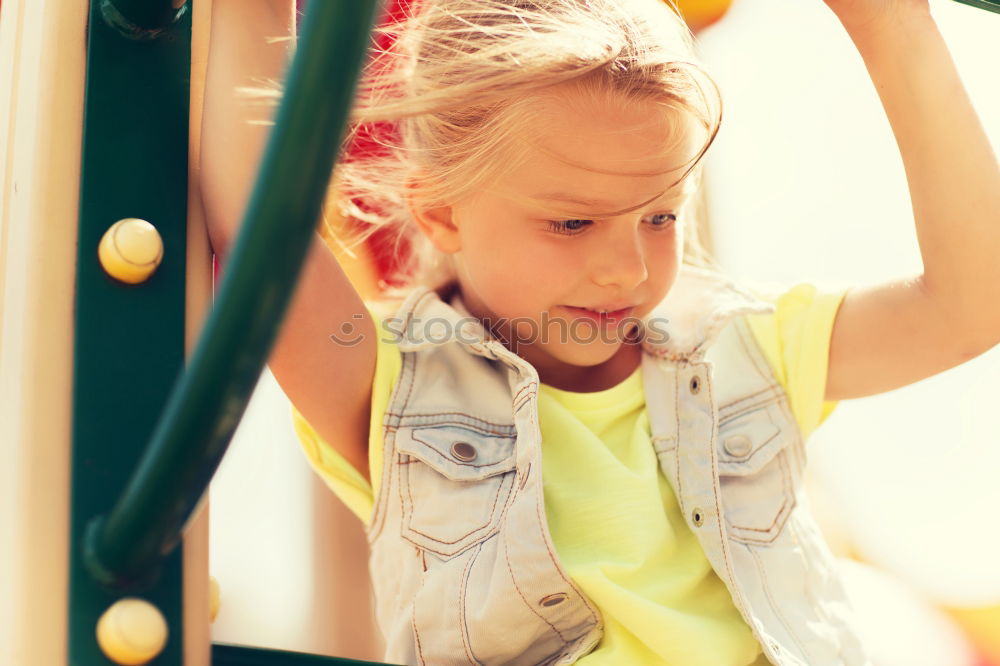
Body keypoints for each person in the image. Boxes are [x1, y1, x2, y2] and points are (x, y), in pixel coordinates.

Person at [200, 0, 1000, 664]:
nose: (626, 268)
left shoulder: (742, 347)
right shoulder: (394, 384)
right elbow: (264, 239)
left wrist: (893, 27)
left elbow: (971, 305)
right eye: (572, 221)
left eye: (660, 216)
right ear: (442, 209)